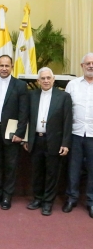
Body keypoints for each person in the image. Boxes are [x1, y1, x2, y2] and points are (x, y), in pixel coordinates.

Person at [24, 67, 72, 216]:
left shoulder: (63, 97)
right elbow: (26, 118)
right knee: (37, 172)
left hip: (54, 141)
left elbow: (67, 121)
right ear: (38, 81)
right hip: (36, 139)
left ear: (53, 79)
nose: (45, 81)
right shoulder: (32, 95)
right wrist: (26, 138)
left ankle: (48, 202)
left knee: (52, 173)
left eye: (48, 78)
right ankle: (37, 198)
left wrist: (65, 143)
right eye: (42, 78)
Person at [0, 55, 28, 210]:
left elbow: (24, 112)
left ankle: (7, 196)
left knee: (10, 165)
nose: (4, 68)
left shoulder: (21, 85)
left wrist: (20, 132)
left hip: (12, 132)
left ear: (12, 67)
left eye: (7, 66)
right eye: (1, 65)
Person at [62, 53, 93, 218]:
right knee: (73, 168)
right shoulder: (72, 85)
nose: (91, 66)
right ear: (82, 66)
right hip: (75, 133)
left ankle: (91, 201)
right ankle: (71, 198)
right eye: (87, 63)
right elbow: (65, 112)